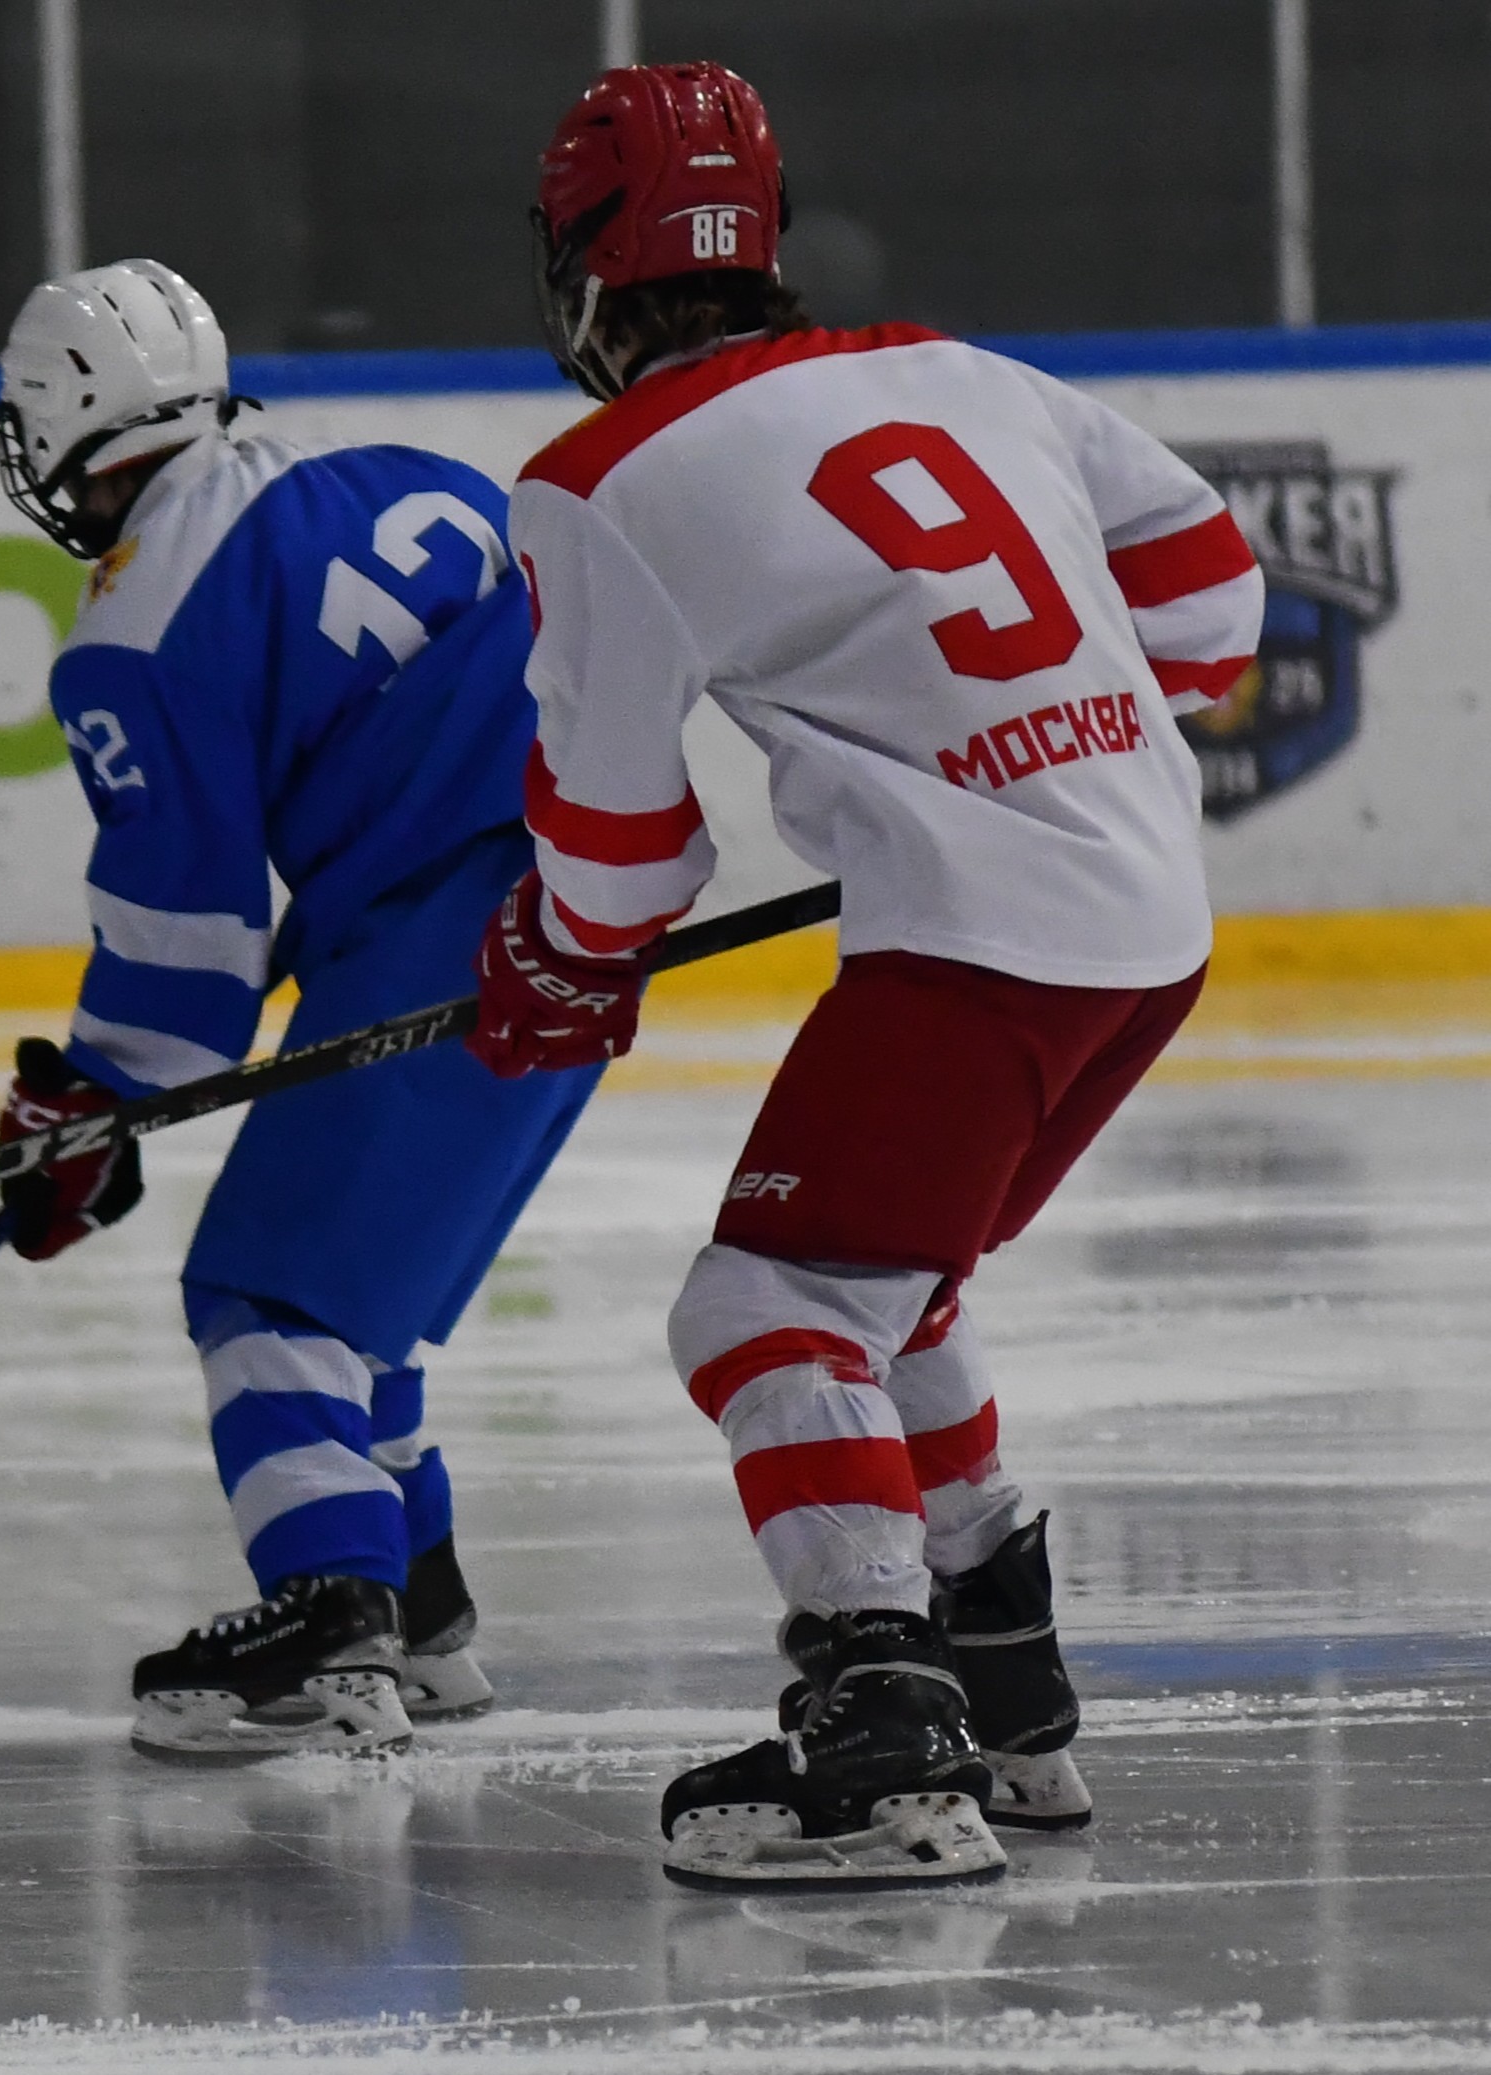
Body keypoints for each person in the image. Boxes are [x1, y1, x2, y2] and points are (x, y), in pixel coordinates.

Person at [466, 65, 1262, 1884]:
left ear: (584, 266)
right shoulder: (962, 373)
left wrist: (557, 962)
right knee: (885, 1282)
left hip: (984, 951)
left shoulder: (595, 481)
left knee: (763, 1311)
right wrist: (1033, 752)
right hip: (1148, 928)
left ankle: (883, 1731)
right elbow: (1212, 598)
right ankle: (1005, 1681)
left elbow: (621, 853)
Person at [0, 258, 604, 1758]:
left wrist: (94, 1096)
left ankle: (332, 1619)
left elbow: (188, 944)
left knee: (267, 1304)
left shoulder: (130, 625)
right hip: (585, 917)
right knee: (354, 1304)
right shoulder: (397, 470)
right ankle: (424, 1612)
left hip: (437, 938)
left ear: (58, 426)